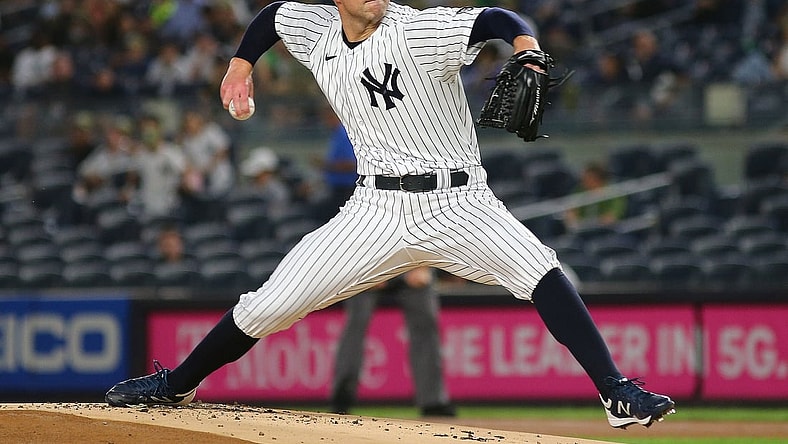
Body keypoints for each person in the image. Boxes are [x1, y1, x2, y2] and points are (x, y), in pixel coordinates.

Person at [105, 0, 675, 429]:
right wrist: (239, 64)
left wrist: (524, 46)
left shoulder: (417, 30)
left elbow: (495, 19)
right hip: (373, 209)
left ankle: (616, 392)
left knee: (541, 269)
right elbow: (275, 16)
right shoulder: (317, 31)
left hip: (458, 201)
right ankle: (176, 385)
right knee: (268, 305)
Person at [331, 265, 454, 416]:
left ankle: (433, 402)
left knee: (426, 322)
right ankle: (342, 397)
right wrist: (370, 269)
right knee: (356, 323)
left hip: (411, 263)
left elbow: (429, 240)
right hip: (370, 264)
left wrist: (423, 265)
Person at [563, 161, 627, 230]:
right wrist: (572, 219)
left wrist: (597, 223)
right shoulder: (579, 190)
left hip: (605, 230)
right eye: (583, 178)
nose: (583, 181)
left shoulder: (613, 192)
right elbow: (570, 211)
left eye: (588, 178)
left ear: (598, 179)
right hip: (582, 230)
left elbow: (612, 216)